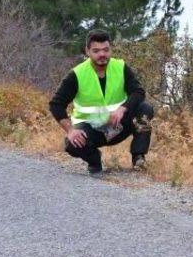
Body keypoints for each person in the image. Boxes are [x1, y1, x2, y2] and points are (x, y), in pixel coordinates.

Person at [49, 30, 154, 176]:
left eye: (105, 50)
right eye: (96, 51)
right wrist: (71, 130)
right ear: (87, 51)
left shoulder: (120, 67)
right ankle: (94, 160)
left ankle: (138, 157)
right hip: (92, 130)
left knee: (145, 108)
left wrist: (123, 109)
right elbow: (56, 104)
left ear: (110, 49)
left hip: (119, 124)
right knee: (71, 144)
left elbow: (138, 92)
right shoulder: (77, 74)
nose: (102, 54)